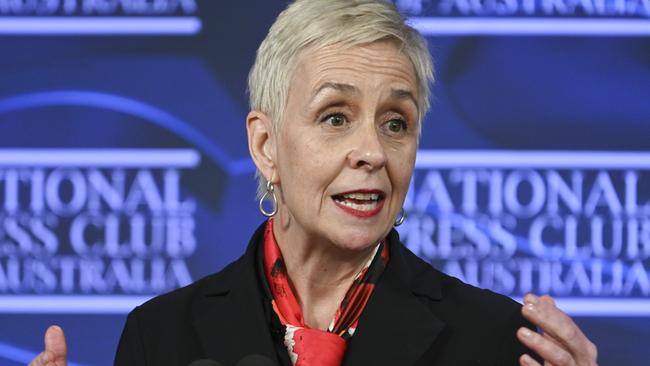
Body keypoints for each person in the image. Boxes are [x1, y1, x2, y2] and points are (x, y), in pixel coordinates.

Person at [30, 0, 598, 365]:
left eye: (396, 123)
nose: (373, 152)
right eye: (335, 117)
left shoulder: (494, 341)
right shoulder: (163, 336)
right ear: (265, 145)